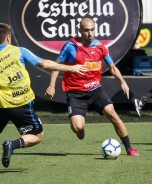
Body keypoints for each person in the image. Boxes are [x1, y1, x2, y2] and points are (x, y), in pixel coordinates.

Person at [0, 23, 87, 173]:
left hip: (1, 107)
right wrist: (71, 68)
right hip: (21, 105)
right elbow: (44, 64)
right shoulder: (18, 51)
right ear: (9, 37)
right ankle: (12, 145)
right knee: (37, 136)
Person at [45, 17, 139, 156]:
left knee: (113, 114)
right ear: (80, 31)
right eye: (86, 30)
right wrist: (52, 85)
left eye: (92, 30)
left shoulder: (100, 46)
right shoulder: (71, 46)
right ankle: (79, 128)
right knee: (77, 126)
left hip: (95, 90)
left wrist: (122, 81)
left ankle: (129, 148)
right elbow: (55, 66)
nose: (90, 33)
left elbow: (112, 67)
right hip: (75, 93)